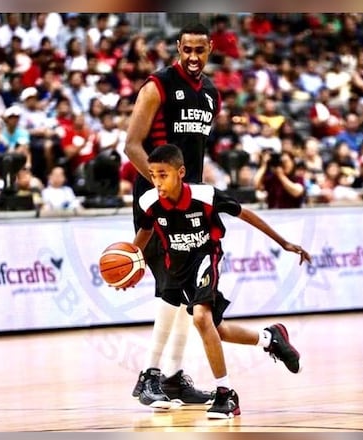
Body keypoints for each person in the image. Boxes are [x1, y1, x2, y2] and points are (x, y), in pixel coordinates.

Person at [127, 145, 310, 418]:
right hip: (175, 268)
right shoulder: (150, 202)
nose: (156, 181)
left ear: (181, 173)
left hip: (205, 258)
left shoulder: (205, 196)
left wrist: (283, 242)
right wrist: (131, 263)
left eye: (162, 175)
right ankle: (270, 338)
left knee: (201, 319)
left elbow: (245, 213)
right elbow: (145, 230)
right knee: (217, 330)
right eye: (152, 175)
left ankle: (226, 394)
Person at [124, 23, 221, 408]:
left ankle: (175, 377)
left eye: (200, 50)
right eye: (187, 50)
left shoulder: (212, 93)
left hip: (191, 201)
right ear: (178, 47)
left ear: (210, 49)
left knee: (187, 294)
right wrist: (163, 186)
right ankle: (148, 376)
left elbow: (192, 155)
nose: (193, 57)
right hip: (157, 198)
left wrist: (194, 191)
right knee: (170, 286)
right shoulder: (157, 86)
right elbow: (131, 145)